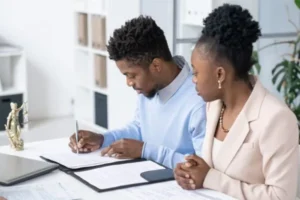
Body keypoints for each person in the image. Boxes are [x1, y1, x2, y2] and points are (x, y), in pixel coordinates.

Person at [174, 4, 299, 200]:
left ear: (220, 74)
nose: (193, 79)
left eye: (196, 72)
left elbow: (281, 196)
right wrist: (192, 172)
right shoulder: (214, 105)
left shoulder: (277, 119)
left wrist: (209, 178)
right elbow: (214, 168)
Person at [69, 15, 206, 169]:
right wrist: (103, 139)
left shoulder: (200, 98)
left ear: (156, 66)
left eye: (132, 75)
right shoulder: (150, 87)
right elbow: (139, 128)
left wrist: (145, 150)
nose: (129, 83)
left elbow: (202, 167)